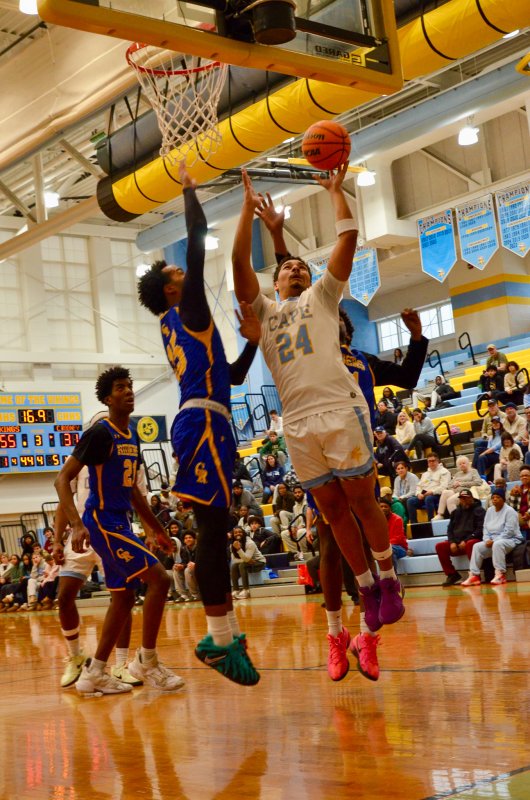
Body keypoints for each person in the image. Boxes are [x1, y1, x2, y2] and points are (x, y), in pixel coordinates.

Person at [233, 164, 406, 683]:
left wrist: (336, 191)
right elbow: (240, 262)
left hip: (337, 410)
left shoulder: (322, 297)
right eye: (288, 268)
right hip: (298, 423)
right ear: (275, 277)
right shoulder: (263, 312)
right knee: (332, 515)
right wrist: (247, 212)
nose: (297, 271)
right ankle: (367, 590)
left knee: (362, 501)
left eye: (302, 268)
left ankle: (389, 581)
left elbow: (347, 237)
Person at [137, 162, 260, 686]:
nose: (186, 276)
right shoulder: (185, 313)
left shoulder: (185, 324)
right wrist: (190, 192)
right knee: (212, 531)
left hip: (212, 418)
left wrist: (252, 337)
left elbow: (231, 374)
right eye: (178, 278)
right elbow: (194, 242)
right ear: (170, 292)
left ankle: (225, 633)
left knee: (218, 527)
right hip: (202, 424)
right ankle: (217, 637)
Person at [54, 366, 184, 695]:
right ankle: (147, 662)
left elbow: (133, 493)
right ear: (107, 398)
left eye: (130, 385)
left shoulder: (132, 435)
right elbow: (61, 479)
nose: (128, 391)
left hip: (121, 522)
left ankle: (94, 673)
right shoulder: (100, 433)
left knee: (124, 597)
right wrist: (77, 524)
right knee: (160, 579)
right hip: (101, 521)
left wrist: (156, 530)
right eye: (120, 387)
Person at [461, 488, 523, 585]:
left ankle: (500, 574)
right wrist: (486, 539)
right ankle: (474, 575)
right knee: (477, 546)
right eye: (493, 497)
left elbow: (509, 531)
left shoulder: (510, 511)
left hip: (511, 539)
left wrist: (494, 540)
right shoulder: (489, 510)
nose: (494, 499)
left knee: (498, 544)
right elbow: (485, 528)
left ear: (503, 499)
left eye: (497, 497)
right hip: (493, 540)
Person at [435, 489, 485, 586]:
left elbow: (480, 529)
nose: (464, 501)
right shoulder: (455, 512)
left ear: (471, 498)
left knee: (471, 544)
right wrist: (452, 542)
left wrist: (466, 540)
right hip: (457, 543)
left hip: (472, 541)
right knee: (440, 546)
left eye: (466, 498)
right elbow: (450, 530)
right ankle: (452, 574)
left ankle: (475, 574)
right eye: (462, 499)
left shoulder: (479, 511)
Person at [432, 455, 482, 520]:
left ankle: (457, 520)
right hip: (455, 491)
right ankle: (440, 514)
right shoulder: (458, 474)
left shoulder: (473, 471)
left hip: (466, 492)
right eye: (460, 464)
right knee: (445, 492)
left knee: (450, 500)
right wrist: (454, 484)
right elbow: (449, 485)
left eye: (463, 463)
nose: (462, 465)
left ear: (467, 463)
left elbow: (478, 482)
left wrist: (461, 484)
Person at [407, 454, 451, 523]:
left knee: (429, 498)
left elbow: (444, 487)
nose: (431, 463)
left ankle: (430, 522)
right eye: (429, 461)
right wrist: (418, 494)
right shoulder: (425, 474)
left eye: (433, 461)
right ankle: (414, 525)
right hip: (424, 495)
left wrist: (431, 492)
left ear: (438, 461)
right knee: (410, 501)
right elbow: (419, 486)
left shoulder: (444, 472)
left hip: (438, 496)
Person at [230, 527, 266, 599]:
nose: (238, 534)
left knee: (242, 565)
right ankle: (236, 590)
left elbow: (246, 559)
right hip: (247, 563)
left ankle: (246, 590)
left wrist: (239, 549)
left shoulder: (250, 543)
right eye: (235, 532)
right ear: (233, 535)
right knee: (234, 566)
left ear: (243, 533)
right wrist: (246, 560)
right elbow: (234, 560)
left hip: (259, 562)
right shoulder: (232, 545)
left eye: (240, 532)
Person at [378, 497, 408, 573]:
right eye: (381, 507)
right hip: (383, 547)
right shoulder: (376, 521)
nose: (383, 508)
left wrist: (385, 545)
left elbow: (398, 538)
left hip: (399, 547)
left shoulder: (397, 519)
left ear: (390, 508)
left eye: (386, 506)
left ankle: (393, 577)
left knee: (390, 551)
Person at [174, 531, 200, 601]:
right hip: (190, 569)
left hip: (201, 569)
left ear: (195, 539)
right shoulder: (184, 549)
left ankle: (195, 594)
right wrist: (181, 565)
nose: (188, 539)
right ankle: (183, 595)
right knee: (176, 569)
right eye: (185, 538)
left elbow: (206, 560)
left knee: (188, 570)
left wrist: (196, 564)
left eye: (190, 538)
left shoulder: (200, 547)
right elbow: (184, 562)